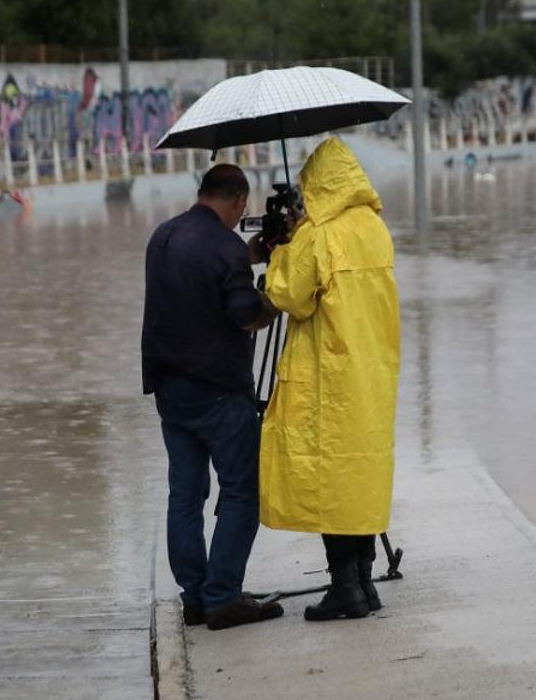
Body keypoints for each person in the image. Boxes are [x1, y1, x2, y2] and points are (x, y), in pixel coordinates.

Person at [258, 138, 401, 621]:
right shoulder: (375, 229)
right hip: (372, 372)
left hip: (329, 376)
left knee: (332, 478)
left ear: (318, 184)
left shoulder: (319, 235)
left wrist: (282, 251)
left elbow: (289, 295)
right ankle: (364, 582)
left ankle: (346, 588)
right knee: (360, 474)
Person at [142, 163, 282, 631]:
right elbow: (245, 315)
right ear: (240, 201)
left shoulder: (163, 236)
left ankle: (196, 599)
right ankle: (223, 597)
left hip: (170, 389)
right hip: (221, 393)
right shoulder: (225, 248)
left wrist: (245, 256)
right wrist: (277, 296)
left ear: (202, 193)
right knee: (241, 492)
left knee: (185, 494)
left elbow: (196, 283)